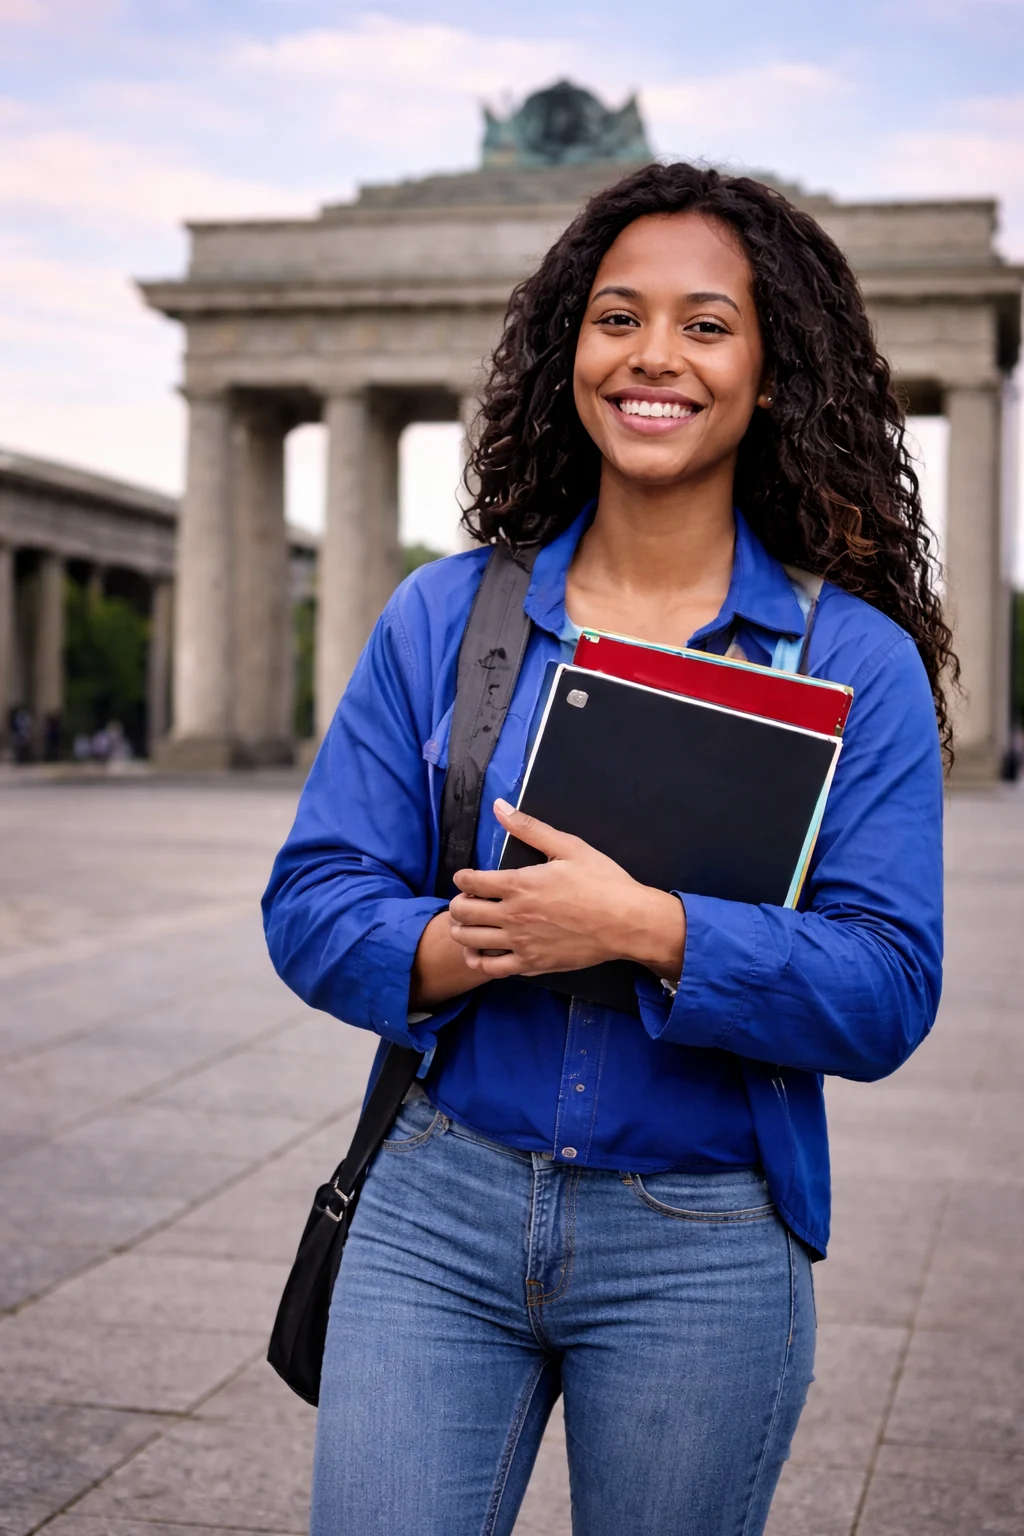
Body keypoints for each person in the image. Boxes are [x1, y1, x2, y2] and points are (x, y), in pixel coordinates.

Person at [263, 162, 949, 1536]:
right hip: (435, 1209)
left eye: (707, 323)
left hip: (702, 1243)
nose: (655, 357)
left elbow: (885, 988)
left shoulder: (852, 663)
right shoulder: (444, 617)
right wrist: (454, 947)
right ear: (569, 350)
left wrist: (647, 930)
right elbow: (312, 898)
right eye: (617, 317)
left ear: (774, 370)